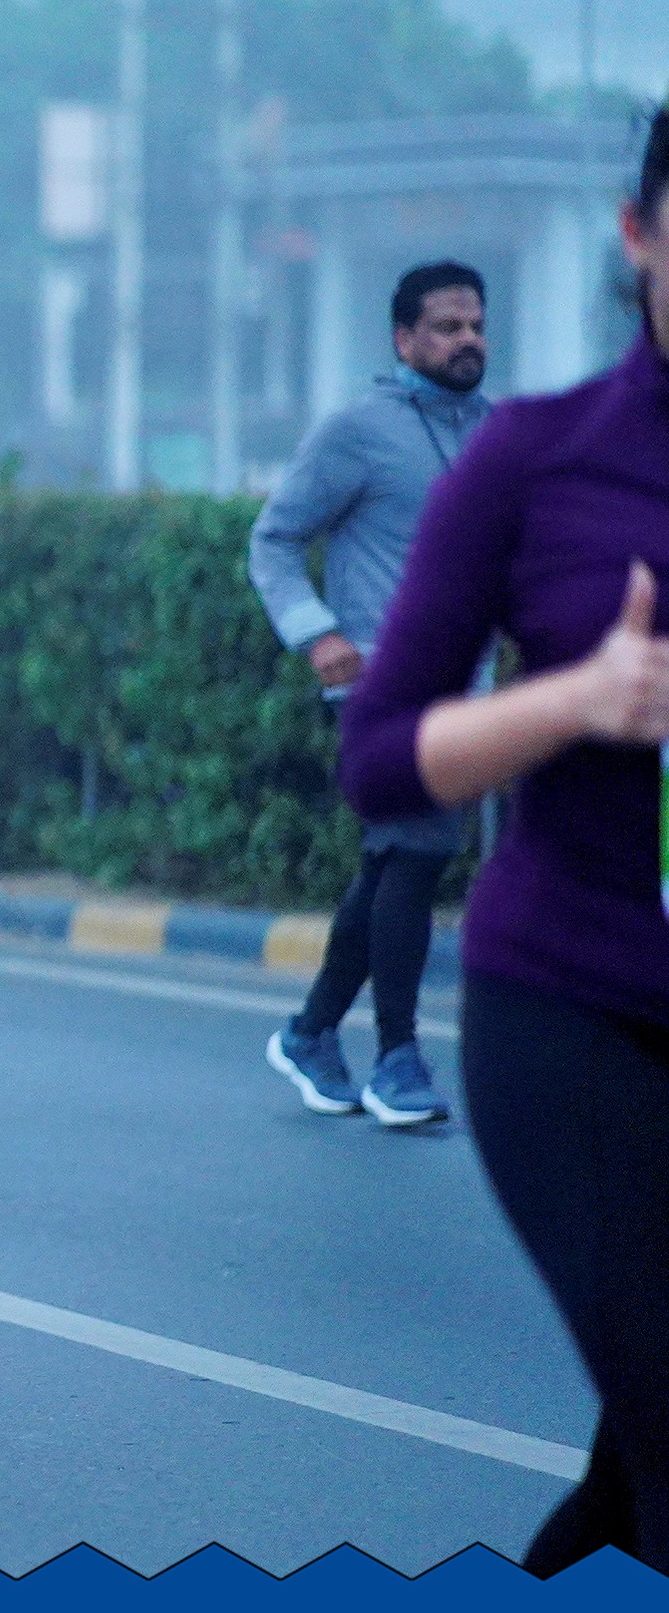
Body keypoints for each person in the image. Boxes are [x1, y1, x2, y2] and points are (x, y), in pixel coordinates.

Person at [337, 104, 669, 1570]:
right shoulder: (542, 458)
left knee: (634, 1494)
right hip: (586, 1008)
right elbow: (379, 758)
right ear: (639, 235)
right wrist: (580, 697)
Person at [253, 262, 492, 1131]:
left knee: (395, 860)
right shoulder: (359, 428)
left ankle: (313, 1031)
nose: (467, 340)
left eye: (476, 325)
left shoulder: (493, 433)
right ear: (404, 339)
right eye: (447, 326)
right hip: (380, 683)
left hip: (468, 692)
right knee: (417, 853)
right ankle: (398, 1056)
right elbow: (274, 538)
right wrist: (315, 631)